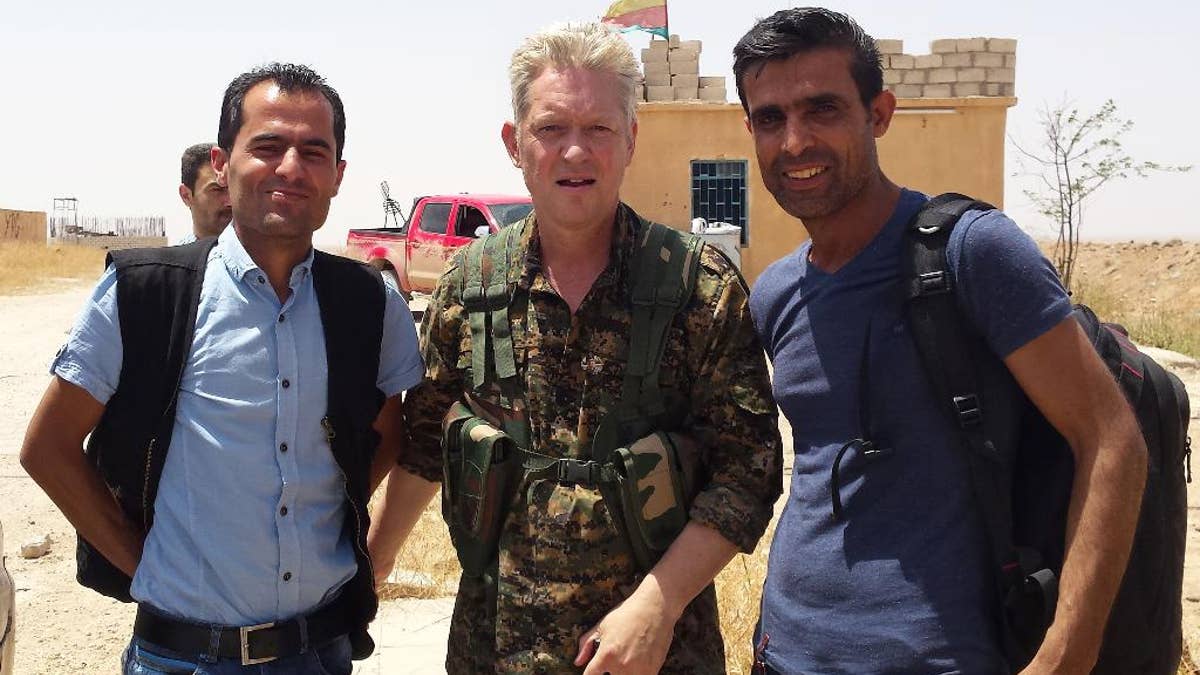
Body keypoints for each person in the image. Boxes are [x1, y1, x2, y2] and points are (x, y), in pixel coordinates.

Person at [734, 8, 1147, 674]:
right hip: (782, 654)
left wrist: (1066, 654)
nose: (794, 142)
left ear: (879, 113)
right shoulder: (777, 293)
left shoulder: (971, 253)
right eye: (771, 119)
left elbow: (1111, 439)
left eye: (823, 109)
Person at [367, 21, 782, 674]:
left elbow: (747, 473)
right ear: (515, 142)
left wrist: (658, 605)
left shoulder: (697, 287)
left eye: (598, 129)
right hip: (496, 651)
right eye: (552, 128)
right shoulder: (470, 285)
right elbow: (425, 450)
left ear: (631, 140)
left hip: (656, 656)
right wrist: (374, 560)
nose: (575, 153)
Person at [20, 63, 423, 673]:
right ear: (223, 162)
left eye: (314, 151)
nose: (291, 167)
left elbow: (389, 433)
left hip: (321, 652)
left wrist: (325, 509)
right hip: (183, 657)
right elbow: (47, 447)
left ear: (338, 175)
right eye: (267, 146)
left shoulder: (370, 302)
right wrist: (144, 563)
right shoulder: (145, 292)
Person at [178, 142, 231, 242]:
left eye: (232, 189)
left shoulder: (260, 256)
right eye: (217, 190)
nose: (230, 201)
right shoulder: (176, 257)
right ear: (186, 196)